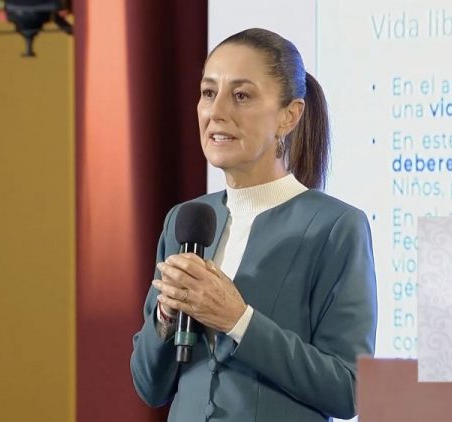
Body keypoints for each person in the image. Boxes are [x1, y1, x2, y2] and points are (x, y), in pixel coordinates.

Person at [129, 28, 377, 421]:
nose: (216, 112)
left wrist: (238, 320)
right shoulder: (186, 220)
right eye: (209, 93)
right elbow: (149, 386)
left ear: (289, 116)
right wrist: (164, 318)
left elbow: (350, 390)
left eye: (241, 95)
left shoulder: (336, 226)